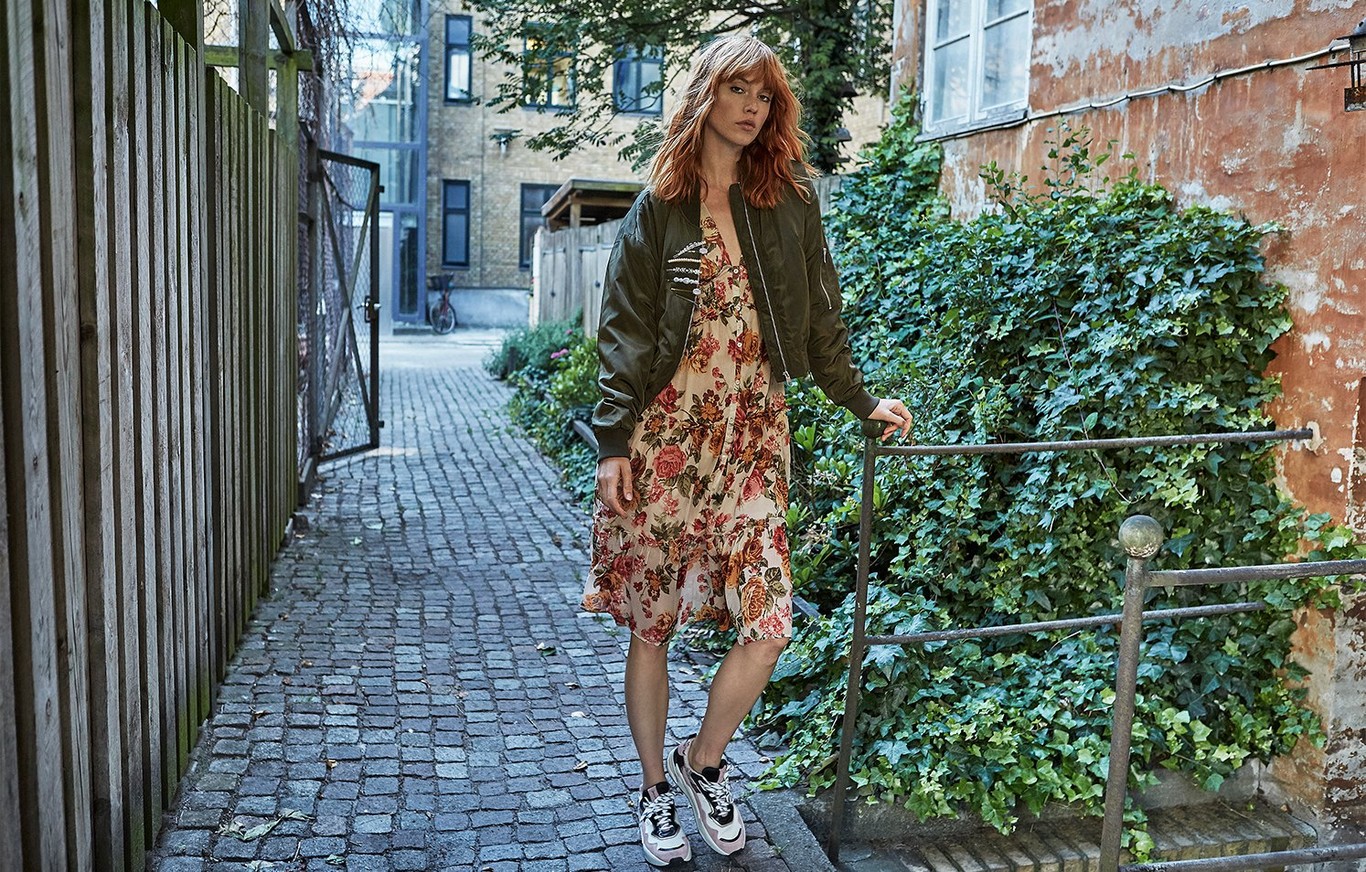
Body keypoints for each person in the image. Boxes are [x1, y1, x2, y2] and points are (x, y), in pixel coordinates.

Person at [580, 34, 913, 867]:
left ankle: (703, 762)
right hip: (666, 439)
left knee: (768, 624)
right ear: (707, 95)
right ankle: (654, 790)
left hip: (754, 434)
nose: (753, 107)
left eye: (765, 95)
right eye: (738, 89)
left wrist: (861, 399)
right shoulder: (660, 207)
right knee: (652, 624)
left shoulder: (787, 201)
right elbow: (622, 331)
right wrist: (613, 442)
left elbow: (821, 316)